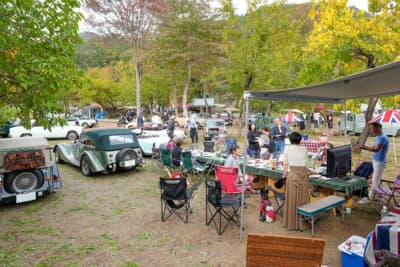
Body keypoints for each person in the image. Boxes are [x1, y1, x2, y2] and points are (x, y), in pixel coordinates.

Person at [282, 132, 309, 230]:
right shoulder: (305, 149)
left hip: (293, 176)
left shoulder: (287, 148)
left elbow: (285, 165)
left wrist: (284, 174)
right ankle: (301, 224)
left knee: (292, 200)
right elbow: (306, 165)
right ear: (300, 140)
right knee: (302, 200)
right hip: (304, 176)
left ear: (290, 140)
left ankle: (292, 224)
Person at [357, 122, 389, 204]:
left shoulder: (383, 138)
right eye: (371, 128)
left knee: (375, 180)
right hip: (376, 160)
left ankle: (369, 198)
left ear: (378, 128)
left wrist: (364, 147)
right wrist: (365, 147)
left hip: (380, 162)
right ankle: (379, 195)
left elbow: (376, 149)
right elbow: (374, 147)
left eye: (372, 128)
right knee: (378, 178)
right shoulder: (378, 137)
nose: (371, 130)